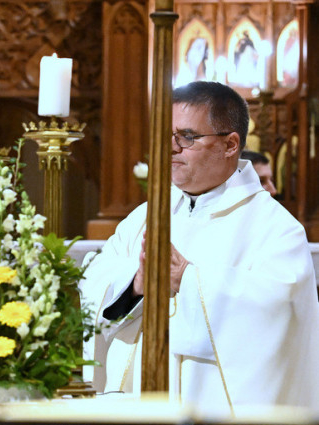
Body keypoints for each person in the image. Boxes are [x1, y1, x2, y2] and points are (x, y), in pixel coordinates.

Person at [81, 81, 319, 412]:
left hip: (213, 407)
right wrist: (136, 283)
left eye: (187, 137)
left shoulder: (275, 228)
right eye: (166, 136)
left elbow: (280, 311)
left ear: (230, 144)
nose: (171, 148)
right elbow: (94, 279)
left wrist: (188, 280)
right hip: (136, 401)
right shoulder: (145, 215)